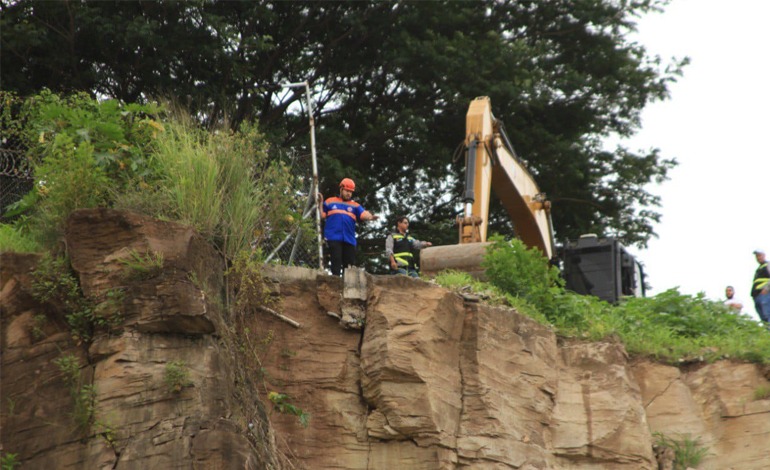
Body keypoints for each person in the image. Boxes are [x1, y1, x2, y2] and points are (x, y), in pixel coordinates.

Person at [318, 178, 378, 276]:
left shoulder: (355, 206)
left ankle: (347, 285)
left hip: (349, 239)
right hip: (333, 237)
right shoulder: (330, 201)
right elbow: (322, 215)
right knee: (336, 260)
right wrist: (320, 203)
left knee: (349, 264)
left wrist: (369, 216)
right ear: (341, 189)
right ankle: (335, 282)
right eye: (347, 191)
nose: (349, 193)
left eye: (351, 192)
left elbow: (363, 214)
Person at [751, 248, 770, 323]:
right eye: (757, 256)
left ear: (764, 255)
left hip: (765, 295)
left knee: (767, 315)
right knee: (763, 318)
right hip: (757, 296)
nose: (758, 258)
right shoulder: (759, 268)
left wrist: (766, 289)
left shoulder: (768, 264)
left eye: (759, 255)